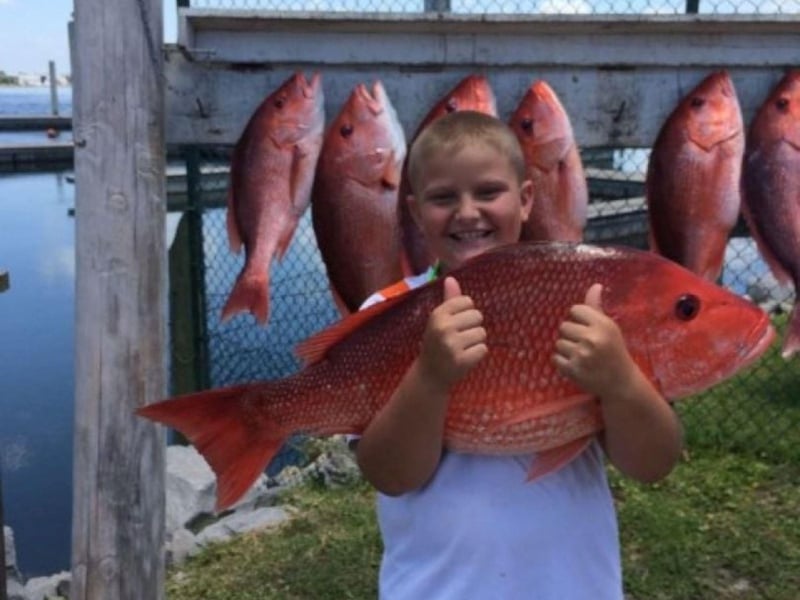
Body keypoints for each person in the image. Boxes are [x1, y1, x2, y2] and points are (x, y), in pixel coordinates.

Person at [353, 110, 683, 599]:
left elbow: (653, 462)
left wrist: (619, 382)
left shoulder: (589, 301)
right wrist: (429, 377)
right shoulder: (386, 314)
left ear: (526, 199)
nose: (467, 212)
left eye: (488, 192)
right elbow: (390, 474)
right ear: (416, 211)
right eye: (444, 197)